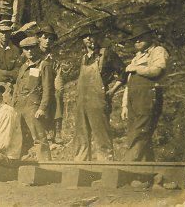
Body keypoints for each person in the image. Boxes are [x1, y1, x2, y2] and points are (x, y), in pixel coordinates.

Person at [73, 29, 125, 161]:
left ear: (96, 37)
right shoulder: (84, 58)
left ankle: (106, 164)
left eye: (91, 36)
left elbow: (123, 72)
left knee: (101, 134)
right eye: (85, 36)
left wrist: (112, 90)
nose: (88, 39)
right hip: (82, 101)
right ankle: (81, 165)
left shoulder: (106, 54)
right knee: (81, 135)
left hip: (98, 99)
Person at [121, 24, 169, 162]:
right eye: (135, 39)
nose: (137, 41)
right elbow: (128, 84)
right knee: (134, 131)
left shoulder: (158, 51)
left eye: (141, 38)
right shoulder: (136, 57)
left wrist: (137, 69)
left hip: (148, 96)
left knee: (141, 130)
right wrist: (124, 105)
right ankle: (147, 169)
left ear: (149, 37)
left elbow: (156, 70)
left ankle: (128, 164)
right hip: (133, 99)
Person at [12, 35, 55, 160]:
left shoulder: (43, 65)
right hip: (19, 106)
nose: (29, 51)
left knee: (39, 138)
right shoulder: (23, 67)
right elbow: (17, 88)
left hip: (33, 106)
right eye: (26, 49)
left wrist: (42, 108)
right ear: (23, 51)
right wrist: (13, 105)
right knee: (20, 137)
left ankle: (46, 164)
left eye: (32, 48)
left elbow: (48, 89)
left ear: (37, 48)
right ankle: (21, 165)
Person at [38, 23, 65, 144]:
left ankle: (56, 130)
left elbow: (58, 76)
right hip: (35, 85)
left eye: (50, 38)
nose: (48, 41)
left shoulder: (54, 58)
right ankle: (44, 129)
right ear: (39, 38)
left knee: (57, 95)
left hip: (49, 85)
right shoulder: (33, 53)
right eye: (45, 37)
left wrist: (58, 89)